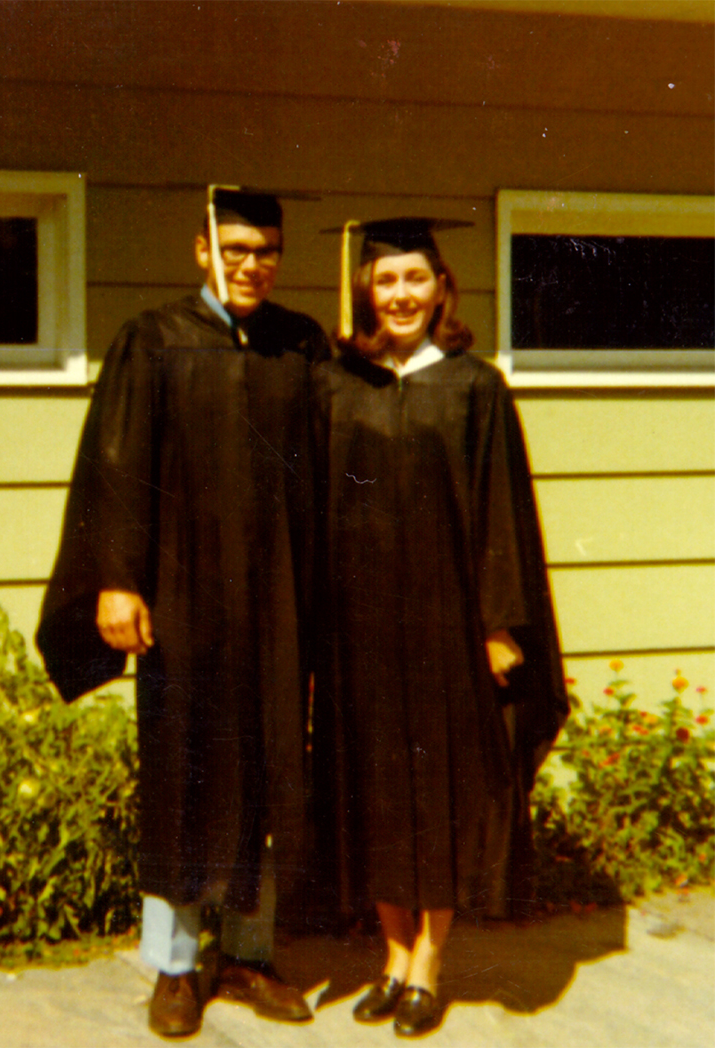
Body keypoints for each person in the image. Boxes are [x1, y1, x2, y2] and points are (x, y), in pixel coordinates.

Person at [37, 187, 330, 1039]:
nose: (251, 265)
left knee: (271, 767)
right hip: (184, 602)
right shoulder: (154, 340)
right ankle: (172, 964)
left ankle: (247, 954)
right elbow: (117, 467)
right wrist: (117, 582)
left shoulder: (298, 343)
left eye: (265, 250)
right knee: (184, 770)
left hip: (276, 602)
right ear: (202, 251)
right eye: (235, 250)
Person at [311, 218, 568, 1038]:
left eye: (415, 280)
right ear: (366, 291)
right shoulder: (339, 384)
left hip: (449, 635)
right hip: (361, 635)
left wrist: (500, 627)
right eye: (386, 282)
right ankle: (392, 955)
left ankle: (429, 964)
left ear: (441, 286)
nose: (401, 296)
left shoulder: (474, 386)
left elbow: (503, 511)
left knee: (445, 798)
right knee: (378, 796)